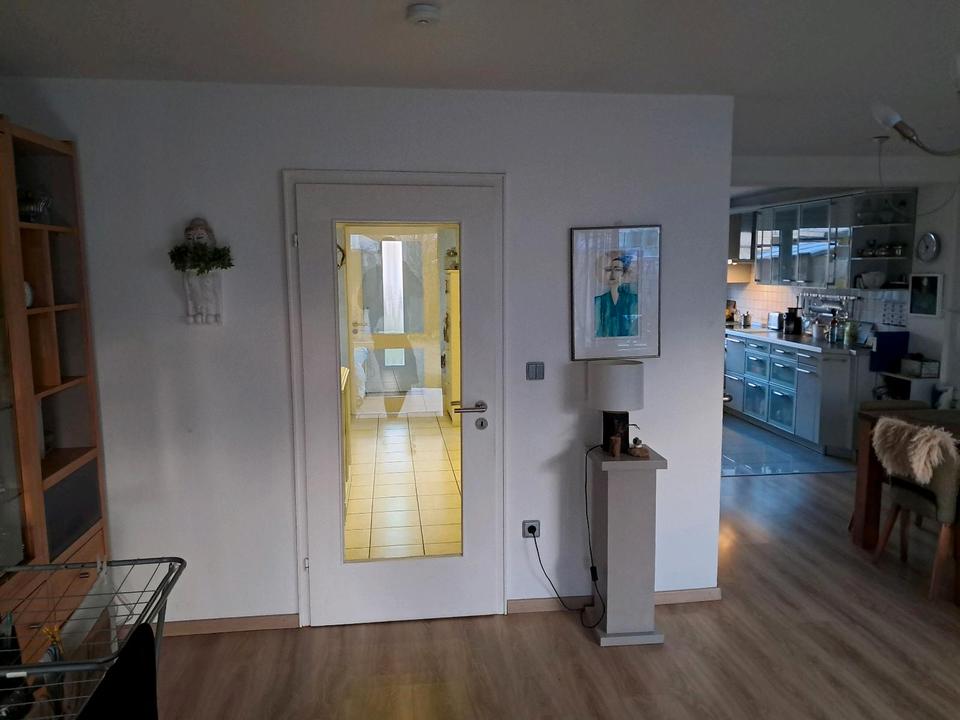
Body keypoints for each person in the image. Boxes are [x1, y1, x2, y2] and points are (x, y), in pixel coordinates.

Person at [594, 253, 639, 337]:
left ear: (624, 273)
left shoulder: (634, 300)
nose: (612, 273)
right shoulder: (598, 301)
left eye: (617, 269)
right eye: (608, 270)